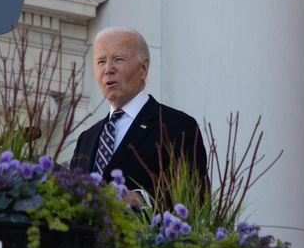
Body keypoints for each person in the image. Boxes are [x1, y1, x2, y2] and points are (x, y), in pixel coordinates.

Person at [69, 27, 208, 198]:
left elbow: (196, 194)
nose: (108, 69)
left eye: (118, 59)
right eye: (101, 62)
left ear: (143, 68)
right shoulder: (86, 139)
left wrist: (140, 199)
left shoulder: (175, 126)